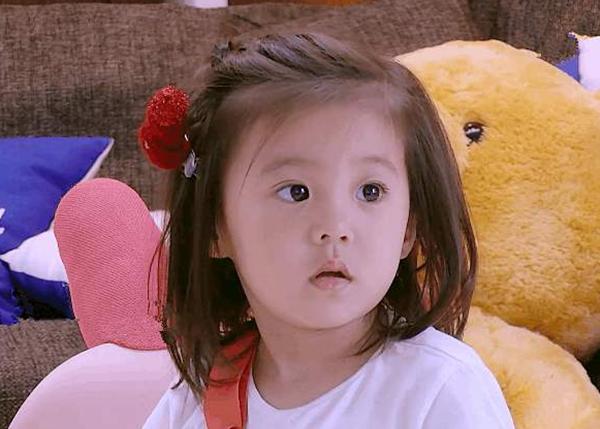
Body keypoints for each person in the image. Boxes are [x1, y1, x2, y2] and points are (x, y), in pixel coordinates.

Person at [141, 32, 515, 428]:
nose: (335, 228)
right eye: (296, 192)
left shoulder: (439, 388)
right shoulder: (197, 395)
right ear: (215, 228)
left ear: (408, 228)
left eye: (370, 192)